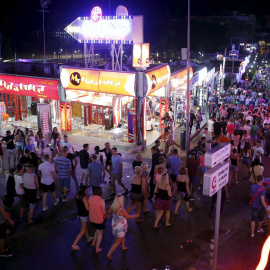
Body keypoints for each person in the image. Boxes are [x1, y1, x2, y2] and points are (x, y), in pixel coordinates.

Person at [106, 195, 139, 260]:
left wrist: (108, 215)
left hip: (116, 225)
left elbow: (108, 212)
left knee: (122, 236)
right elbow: (128, 216)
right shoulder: (121, 210)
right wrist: (136, 215)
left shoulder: (112, 206)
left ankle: (123, 247)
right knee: (117, 242)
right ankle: (109, 254)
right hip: (120, 227)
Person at [72, 185, 93, 251]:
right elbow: (87, 208)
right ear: (84, 190)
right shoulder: (84, 198)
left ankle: (88, 239)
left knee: (85, 227)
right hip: (84, 215)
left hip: (79, 215)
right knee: (82, 230)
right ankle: (74, 244)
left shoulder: (77, 196)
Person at [88, 187, 107, 254]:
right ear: (101, 193)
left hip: (92, 219)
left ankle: (93, 242)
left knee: (97, 229)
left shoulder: (90, 198)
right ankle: (97, 248)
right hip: (99, 220)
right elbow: (104, 212)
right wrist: (107, 215)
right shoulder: (101, 201)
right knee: (100, 234)